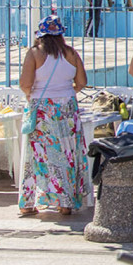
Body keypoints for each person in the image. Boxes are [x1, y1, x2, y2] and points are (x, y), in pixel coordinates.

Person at [18, 15, 89, 217]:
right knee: (67, 153)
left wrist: (32, 96)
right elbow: (82, 82)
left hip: (42, 110)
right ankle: (65, 203)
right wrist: (66, 93)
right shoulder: (71, 53)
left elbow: (25, 83)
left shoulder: (34, 53)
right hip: (68, 108)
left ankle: (29, 202)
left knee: (38, 155)